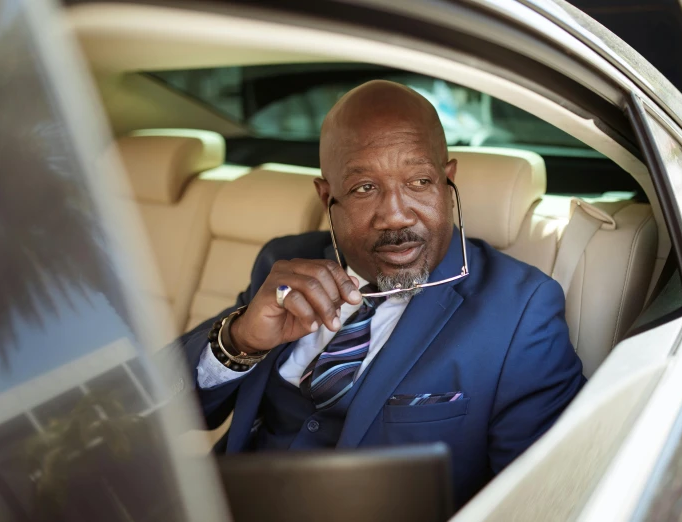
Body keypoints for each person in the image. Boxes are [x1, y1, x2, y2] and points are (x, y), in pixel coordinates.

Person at [178, 80, 586, 507]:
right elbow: (160, 409)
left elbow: (544, 500)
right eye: (364, 188)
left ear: (447, 183)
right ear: (326, 197)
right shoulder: (283, 264)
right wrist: (239, 340)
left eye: (419, 181)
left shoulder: (521, 310)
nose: (395, 215)